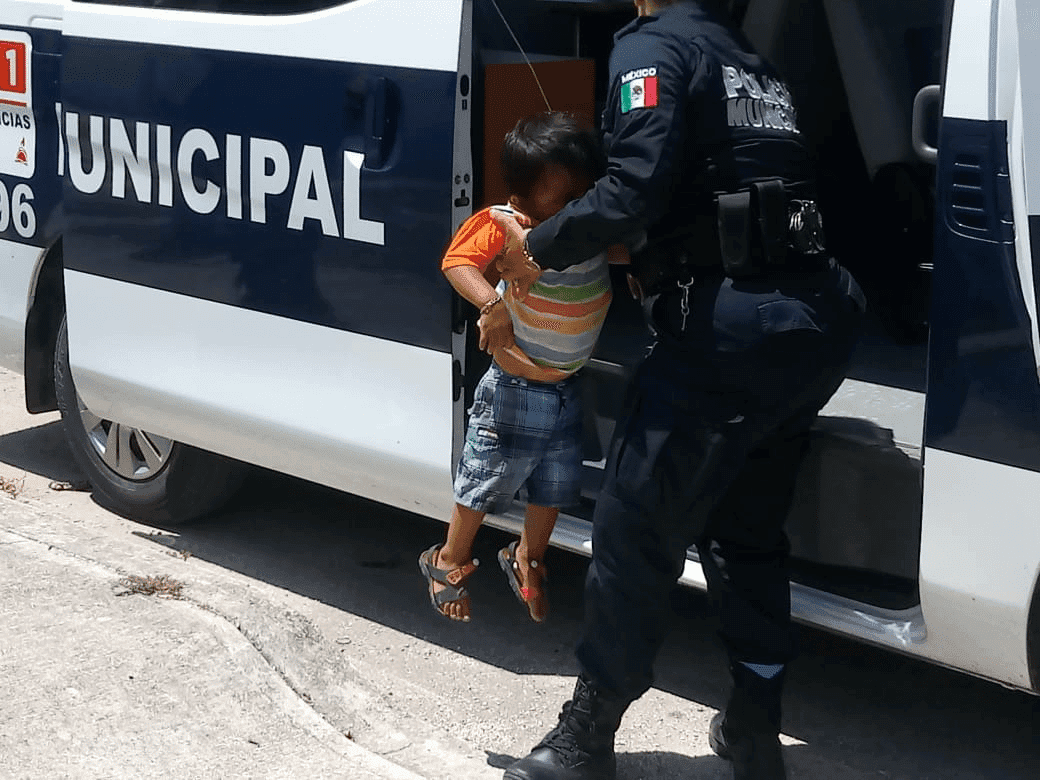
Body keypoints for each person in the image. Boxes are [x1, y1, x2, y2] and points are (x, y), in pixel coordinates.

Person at [489, 2, 866, 779]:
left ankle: (584, 739)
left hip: (728, 331)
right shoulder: (750, 59)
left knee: (635, 530)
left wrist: (540, 247)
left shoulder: (653, 50)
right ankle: (755, 731)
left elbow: (631, 191)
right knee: (747, 531)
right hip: (812, 318)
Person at [419, 112, 628, 625]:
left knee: (555, 486)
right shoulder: (508, 224)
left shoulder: (589, 225)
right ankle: (448, 560)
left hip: (566, 386)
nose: (580, 210)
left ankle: (525, 556)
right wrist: (492, 307)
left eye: (587, 195)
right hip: (515, 383)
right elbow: (457, 261)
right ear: (522, 204)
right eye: (565, 202)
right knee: (483, 479)